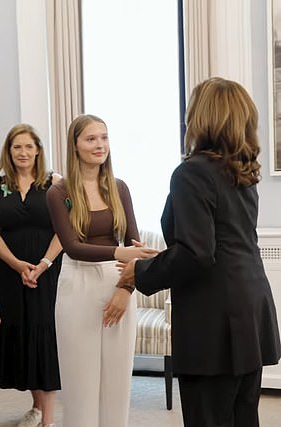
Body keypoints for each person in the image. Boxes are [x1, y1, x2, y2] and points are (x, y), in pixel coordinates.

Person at [118, 77, 281, 427]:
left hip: (213, 321)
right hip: (250, 311)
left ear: (202, 117)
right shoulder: (242, 172)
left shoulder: (192, 173)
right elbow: (220, 244)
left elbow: (197, 252)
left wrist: (141, 272)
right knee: (242, 416)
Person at [46, 114, 158, 427]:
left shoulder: (120, 188)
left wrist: (125, 289)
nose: (100, 145)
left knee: (117, 385)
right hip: (76, 286)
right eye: (91, 139)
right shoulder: (59, 193)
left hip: (118, 284)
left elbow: (135, 247)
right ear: (75, 145)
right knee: (81, 385)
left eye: (104, 138)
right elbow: (71, 247)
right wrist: (121, 252)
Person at [0, 124, 63, 427]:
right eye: (17, 147)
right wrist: (18, 264)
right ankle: (35, 407)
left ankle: (48, 421)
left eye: (28, 146)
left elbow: (64, 231)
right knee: (23, 336)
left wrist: (42, 264)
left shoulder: (54, 183)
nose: (23, 152)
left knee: (44, 338)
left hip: (48, 272)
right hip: (10, 271)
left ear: (38, 150)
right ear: (9, 151)